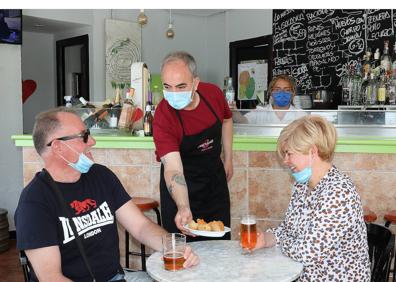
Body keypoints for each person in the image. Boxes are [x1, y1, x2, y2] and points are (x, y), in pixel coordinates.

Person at [14, 107, 199, 282]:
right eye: (84, 136)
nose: (92, 141)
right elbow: (51, 278)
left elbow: (140, 227)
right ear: (58, 147)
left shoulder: (101, 176)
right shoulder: (34, 203)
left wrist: (172, 248)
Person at [254, 115, 371, 281]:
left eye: (289, 154)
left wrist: (281, 242)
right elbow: (288, 229)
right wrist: (266, 239)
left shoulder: (339, 193)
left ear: (312, 151)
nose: (285, 161)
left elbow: (306, 252)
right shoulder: (302, 185)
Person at [153, 51, 233, 241]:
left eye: (181, 86)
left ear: (195, 83)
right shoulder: (164, 115)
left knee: (220, 251)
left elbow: (227, 120)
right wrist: (183, 206)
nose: (174, 93)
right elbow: (173, 168)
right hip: (181, 189)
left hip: (214, 185)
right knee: (183, 255)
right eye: (167, 87)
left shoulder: (212, 94)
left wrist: (229, 157)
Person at [236, 74, 306, 124]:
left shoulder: (301, 115)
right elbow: (242, 121)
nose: (282, 93)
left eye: (287, 90)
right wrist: (233, 111)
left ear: (293, 93)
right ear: (271, 92)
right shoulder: (260, 112)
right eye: (277, 89)